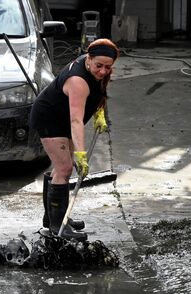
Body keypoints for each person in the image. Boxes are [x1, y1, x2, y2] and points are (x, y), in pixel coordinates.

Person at [30, 38, 119, 241]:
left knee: (61, 168)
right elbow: (76, 120)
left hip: (60, 117)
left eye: (108, 67)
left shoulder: (94, 67)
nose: (103, 71)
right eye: (99, 66)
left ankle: (54, 218)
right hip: (50, 118)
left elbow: (99, 89)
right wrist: (81, 154)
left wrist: (99, 113)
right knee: (65, 168)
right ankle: (56, 228)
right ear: (89, 58)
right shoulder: (78, 81)